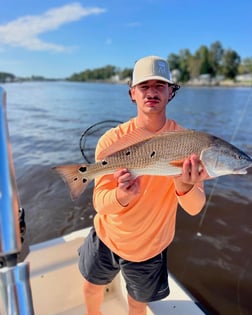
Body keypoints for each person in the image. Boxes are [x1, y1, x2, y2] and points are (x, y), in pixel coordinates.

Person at [78, 55, 209, 315]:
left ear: (171, 92)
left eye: (159, 85)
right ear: (132, 93)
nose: (151, 92)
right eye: (144, 86)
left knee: (137, 304)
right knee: (91, 287)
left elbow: (195, 208)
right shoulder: (111, 141)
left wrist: (184, 185)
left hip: (150, 248)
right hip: (106, 238)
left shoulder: (190, 142)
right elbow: (99, 202)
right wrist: (120, 195)